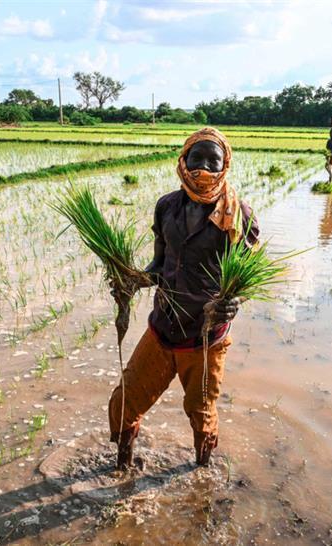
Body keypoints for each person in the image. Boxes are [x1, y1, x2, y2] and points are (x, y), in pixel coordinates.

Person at [108, 127, 259, 470]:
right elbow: (159, 265)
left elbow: (245, 281)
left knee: (201, 414)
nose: (202, 167)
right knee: (124, 402)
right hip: (162, 328)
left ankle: (200, 474)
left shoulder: (239, 215)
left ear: (225, 165)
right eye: (196, 158)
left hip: (205, 337)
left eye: (212, 160)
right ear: (183, 161)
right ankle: (122, 467)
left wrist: (233, 303)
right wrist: (133, 280)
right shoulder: (167, 207)